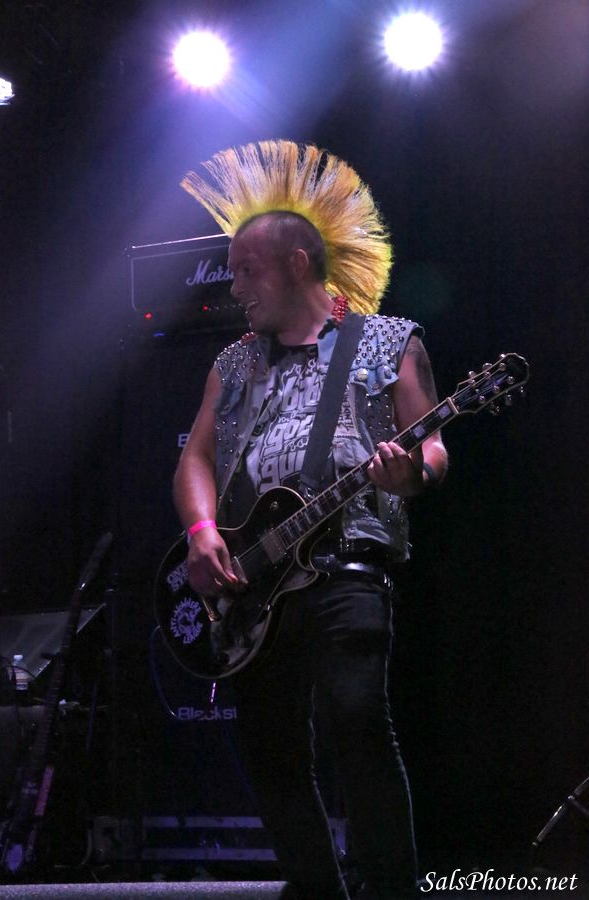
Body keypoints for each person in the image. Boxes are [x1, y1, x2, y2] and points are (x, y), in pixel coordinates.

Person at [173, 141, 448, 900]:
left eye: (246, 270)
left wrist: (412, 472)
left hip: (348, 561)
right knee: (268, 747)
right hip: (259, 580)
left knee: (356, 718)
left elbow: (432, 444)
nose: (235, 287)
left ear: (297, 263)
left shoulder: (389, 341)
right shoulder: (234, 364)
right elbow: (195, 459)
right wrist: (202, 533)